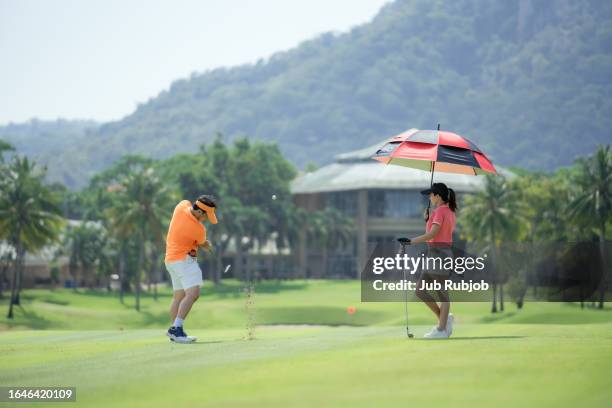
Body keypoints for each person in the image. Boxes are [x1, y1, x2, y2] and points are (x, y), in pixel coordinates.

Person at [405, 182, 457, 339]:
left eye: (431, 194)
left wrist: (410, 241)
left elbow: (432, 235)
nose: (429, 197)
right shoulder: (444, 212)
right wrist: (428, 219)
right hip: (434, 255)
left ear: (438, 196)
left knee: (443, 295)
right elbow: (433, 233)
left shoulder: (441, 212)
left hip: (440, 255)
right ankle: (444, 319)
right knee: (420, 291)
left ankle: (441, 329)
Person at [164, 195, 218, 343]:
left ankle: (175, 332)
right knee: (193, 293)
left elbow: (186, 203)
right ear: (200, 212)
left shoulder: (180, 207)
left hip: (170, 261)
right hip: (185, 261)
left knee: (178, 297)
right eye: (207, 216)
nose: (206, 219)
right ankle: (176, 329)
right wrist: (207, 246)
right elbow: (202, 243)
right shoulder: (199, 228)